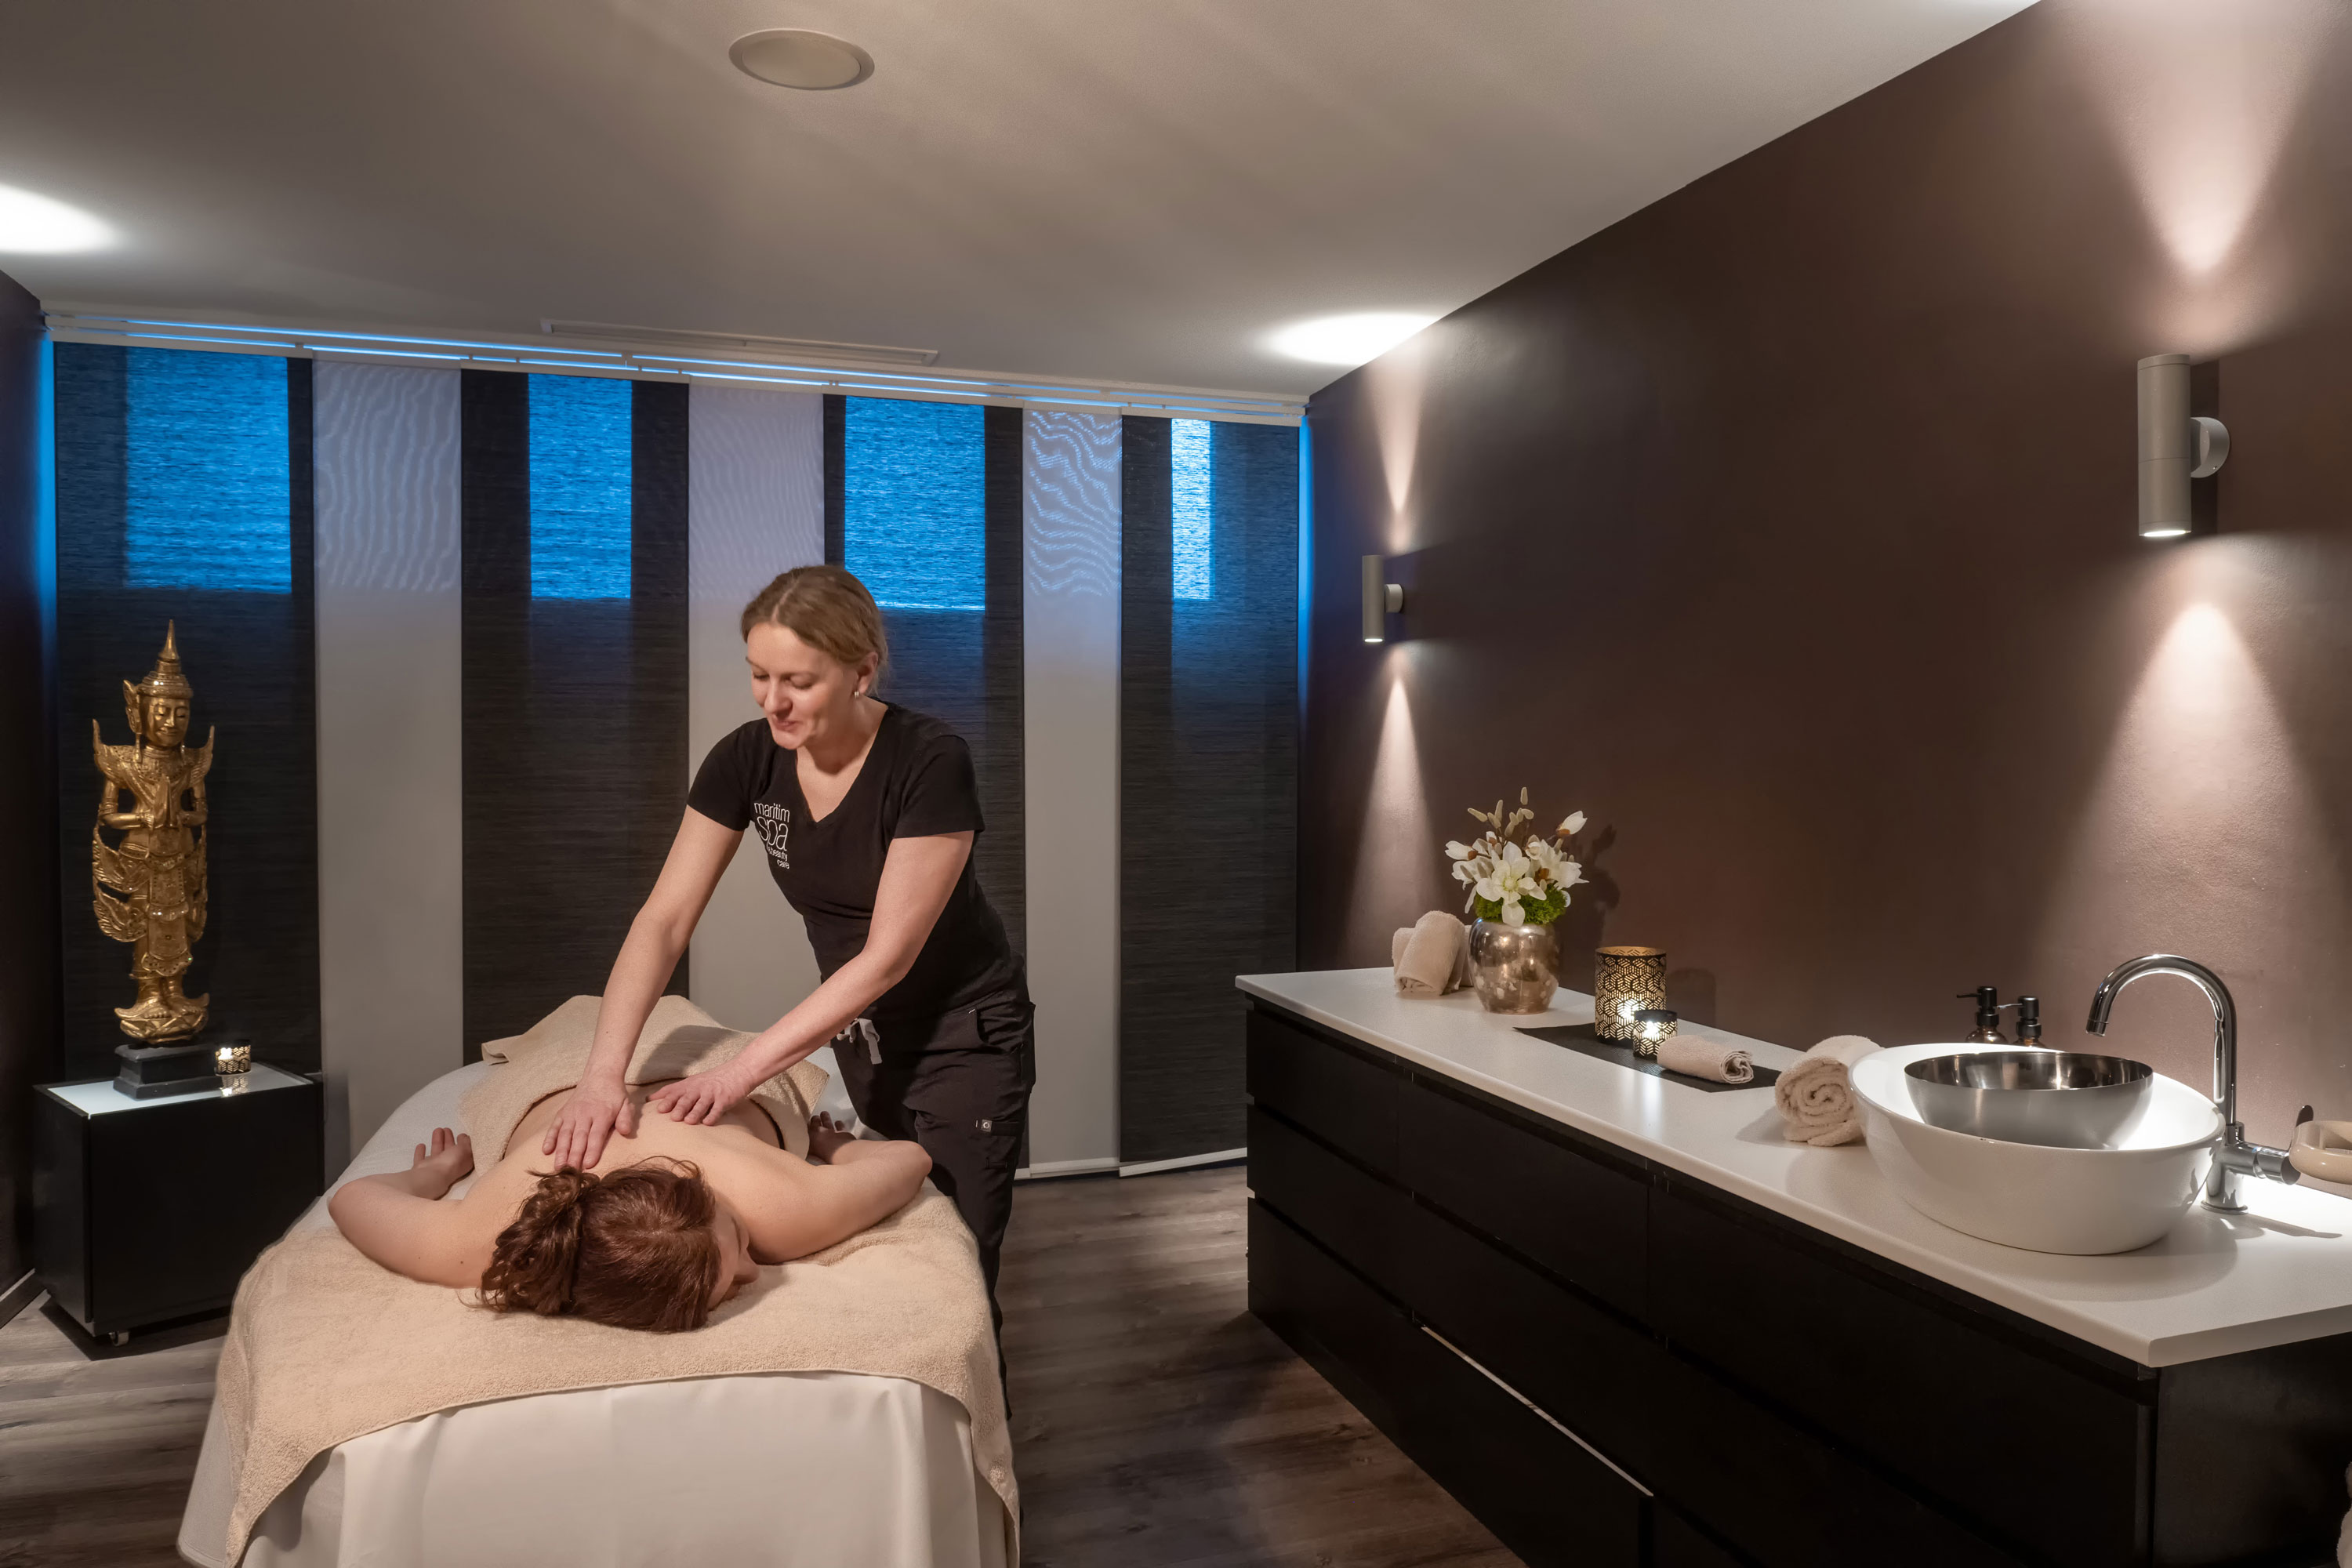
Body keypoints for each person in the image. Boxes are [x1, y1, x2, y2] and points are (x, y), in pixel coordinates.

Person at [538, 564, 1033, 1330]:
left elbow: (886, 957)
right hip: (864, 1033)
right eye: (759, 675)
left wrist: (739, 1073)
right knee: (888, 1240)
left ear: (862, 671)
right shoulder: (749, 758)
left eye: (798, 681)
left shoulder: (930, 761)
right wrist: (601, 1077)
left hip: (963, 1037)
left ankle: (976, 1405)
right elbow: (664, 919)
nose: (773, 701)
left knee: (955, 1267)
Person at [328, 1097, 930, 1332]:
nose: (755, 1271)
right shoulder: (487, 1242)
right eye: (743, 1255)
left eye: (739, 1241)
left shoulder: (777, 1205)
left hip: (715, 1074)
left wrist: (833, 1147)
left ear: (701, 1184)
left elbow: (913, 1158)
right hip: (559, 1084)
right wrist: (434, 1174)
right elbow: (907, 1159)